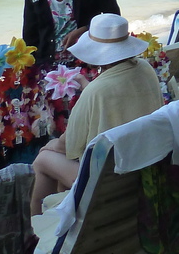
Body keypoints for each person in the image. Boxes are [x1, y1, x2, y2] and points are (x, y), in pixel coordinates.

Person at [29, 13, 164, 215]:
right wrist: (88, 86)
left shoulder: (96, 91)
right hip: (145, 167)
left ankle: (38, 231)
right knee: (55, 159)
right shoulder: (145, 69)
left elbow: (69, 146)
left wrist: (49, 147)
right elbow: (119, 93)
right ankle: (62, 219)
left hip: (108, 184)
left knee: (42, 160)